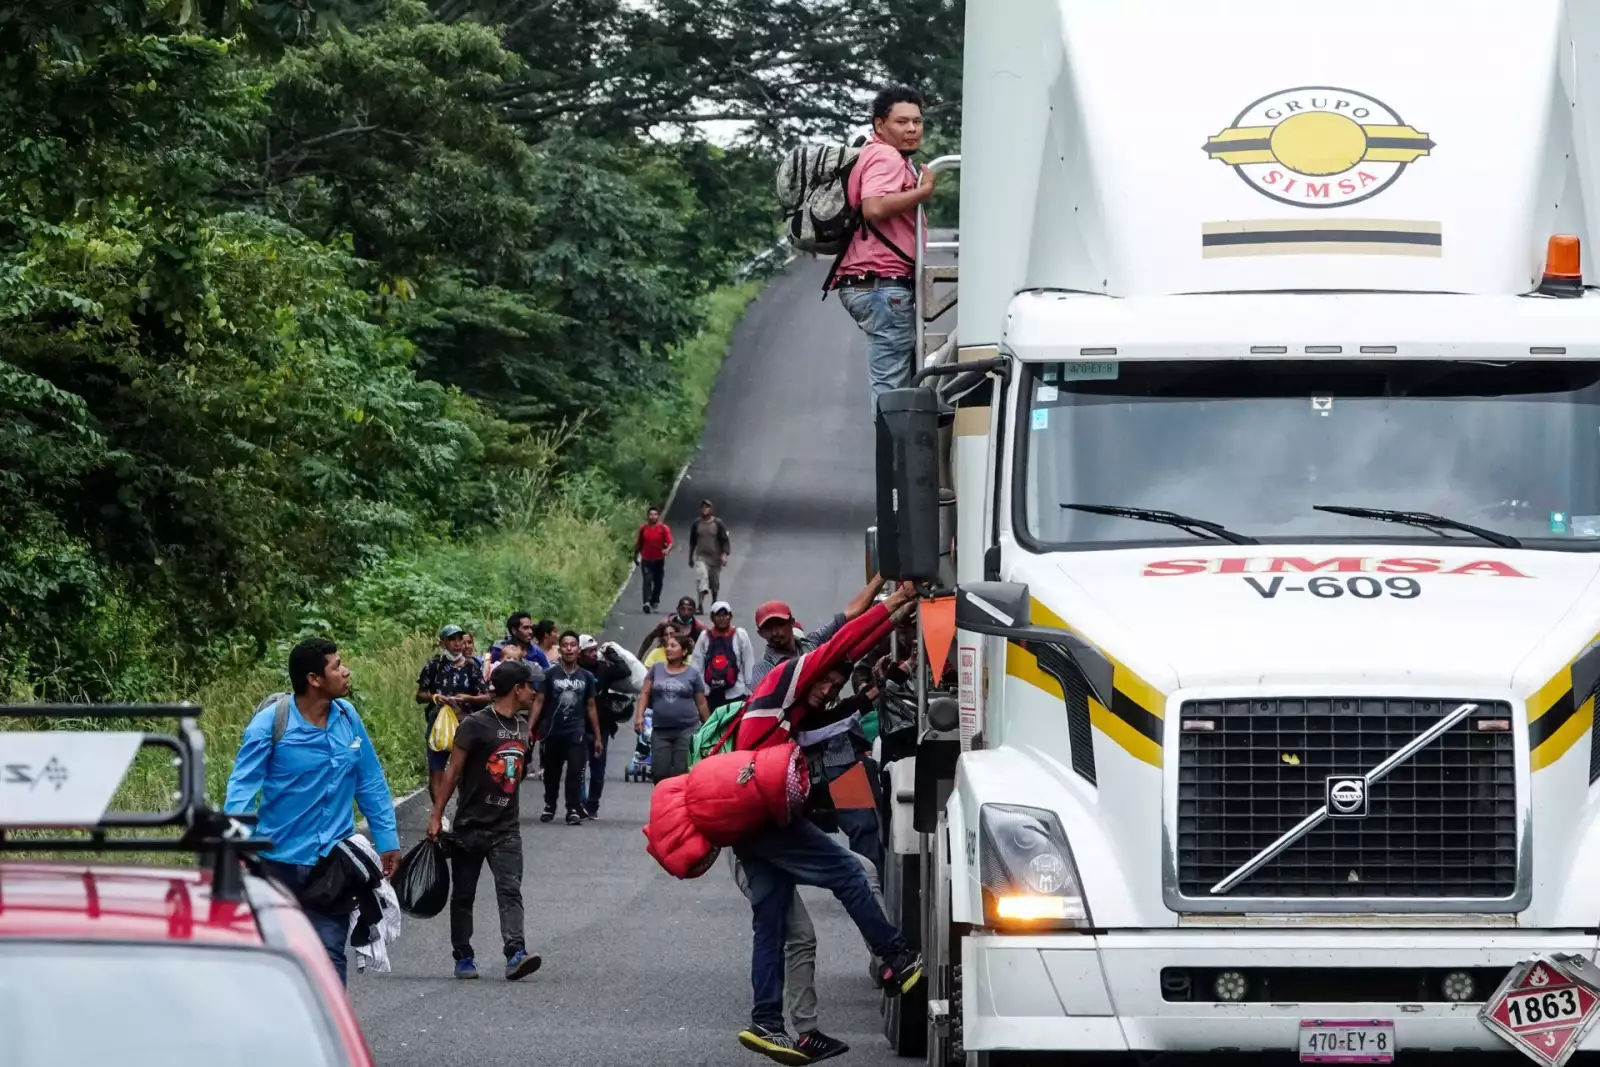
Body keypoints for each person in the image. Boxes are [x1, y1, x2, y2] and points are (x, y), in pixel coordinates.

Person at [730, 582, 923, 1062]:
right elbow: (844, 640)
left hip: (749, 819)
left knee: (771, 924)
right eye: (826, 683)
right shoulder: (785, 676)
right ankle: (897, 958)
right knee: (851, 871)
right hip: (762, 815)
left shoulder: (795, 708)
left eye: (834, 687)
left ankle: (768, 1023)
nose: (827, 691)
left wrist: (876, 682)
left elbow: (833, 717)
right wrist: (894, 604)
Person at [224, 637, 401, 986]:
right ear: (314, 679)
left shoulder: (348, 718)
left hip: (331, 864)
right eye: (336, 666)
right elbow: (241, 793)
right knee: (278, 957)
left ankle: (328, 1037)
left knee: (330, 953)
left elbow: (369, 781)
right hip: (277, 864)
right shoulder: (271, 724)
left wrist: (387, 839)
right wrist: (235, 850)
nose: (346, 671)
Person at [425, 660, 543, 982]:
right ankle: (463, 955)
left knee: (510, 890)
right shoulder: (474, 725)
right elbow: (453, 773)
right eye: (530, 686)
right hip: (470, 827)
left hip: (506, 828)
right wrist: (437, 815)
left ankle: (515, 953)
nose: (535, 692)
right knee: (464, 894)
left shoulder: (521, 726)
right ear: (517, 689)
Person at [828, 85, 935, 414]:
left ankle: (901, 455)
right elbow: (874, 207)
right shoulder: (886, 156)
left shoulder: (874, 154)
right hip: (882, 285)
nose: (912, 129)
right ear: (879, 125)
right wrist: (924, 191)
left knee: (896, 383)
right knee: (893, 392)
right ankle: (896, 462)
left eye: (917, 122)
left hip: (872, 284)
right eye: (902, 122)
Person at [750, 575, 887, 689]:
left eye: (779, 625)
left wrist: (882, 575)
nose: (775, 633)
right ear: (761, 634)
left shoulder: (811, 644)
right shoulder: (763, 669)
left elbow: (851, 613)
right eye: (768, 628)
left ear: (791, 623)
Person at [415, 624, 491, 819]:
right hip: (438, 723)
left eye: (459, 639)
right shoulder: (433, 666)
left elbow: (485, 697)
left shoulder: (472, 667)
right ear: (443, 643)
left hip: (465, 722)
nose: (457, 644)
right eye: (452, 639)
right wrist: (435, 698)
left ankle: (464, 809)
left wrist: (468, 698)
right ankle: (439, 814)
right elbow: (420, 695)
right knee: (437, 769)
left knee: (465, 768)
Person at [530, 630, 603, 825]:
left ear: (578, 649)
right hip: (552, 731)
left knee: (575, 771)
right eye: (565, 645)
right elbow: (539, 700)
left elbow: (591, 706)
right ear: (560, 649)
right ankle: (550, 805)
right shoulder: (549, 674)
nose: (569, 648)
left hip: (576, 730)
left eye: (573, 645)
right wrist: (530, 728)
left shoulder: (586, 677)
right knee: (552, 773)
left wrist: (597, 736)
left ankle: (572, 808)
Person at [632, 631, 710, 781]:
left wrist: (708, 726)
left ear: (684, 651)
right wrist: (639, 717)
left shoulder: (692, 674)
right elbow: (645, 693)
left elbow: (701, 703)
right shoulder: (656, 669)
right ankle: (663, 802)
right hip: (661, 730)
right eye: (667, 646)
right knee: (659, 772)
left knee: (681, 773)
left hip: (686, 729)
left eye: (673, 646)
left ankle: (677, 804)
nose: (668, 649)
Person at [577, 634, 635, 819]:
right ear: (580, 654)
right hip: (577, 725)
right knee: (577, 768)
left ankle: (592, 804)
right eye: (589, 651)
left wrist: (612, 655)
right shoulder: (573, 671)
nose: (593, 654)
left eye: (595, 650)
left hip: (601, 726)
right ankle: (579, 803)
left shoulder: (603, 670)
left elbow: (624, 671)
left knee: (598, 770)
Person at [691, 600, 756, 712]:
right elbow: (697, 664)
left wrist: (749, 689)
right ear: (712, 617)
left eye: (725, 615)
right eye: (718, 615)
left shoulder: (740, 634)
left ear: (730, 617)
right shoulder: (704, 636)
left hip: (736, 692)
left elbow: (748, 661)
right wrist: (699, 691)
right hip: (710, 692)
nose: (722, 618)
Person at [688, 499, 731, 613]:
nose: (705, 510)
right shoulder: (697, 523)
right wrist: (690, 557)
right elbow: (692, 542)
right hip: (701, 557)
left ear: (711, 510)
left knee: (714, 583)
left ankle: (714, 601)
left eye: (707, 507)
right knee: (701, 579)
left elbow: (724, 541)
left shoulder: (718, 523)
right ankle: (700, 605)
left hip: (715, 558)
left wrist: (724, 555)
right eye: (703, 507)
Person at [637, 597, 706, 666]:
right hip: (664, 658)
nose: (686, 612)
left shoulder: (699, 627)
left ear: (694, 611)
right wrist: (638, 658)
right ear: (677, 610)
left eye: (689, 609)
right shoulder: (667, 623)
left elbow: (707, 647)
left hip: (687, 662)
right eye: (683, 609)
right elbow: (650, 638)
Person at [635, 505, 674, 614]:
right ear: (648, 516)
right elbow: (639, 543)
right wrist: (635, 555)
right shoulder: (643, 528)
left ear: (658, 516)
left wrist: (667, 550)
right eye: (651, 514)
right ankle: (646, 603)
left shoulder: (663, 528)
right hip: (646, 559)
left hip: (659, 560)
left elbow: (670, 542)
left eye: (655, 514)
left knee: (658, 582)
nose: (653, 516)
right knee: (647, 580)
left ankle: (655, 601)